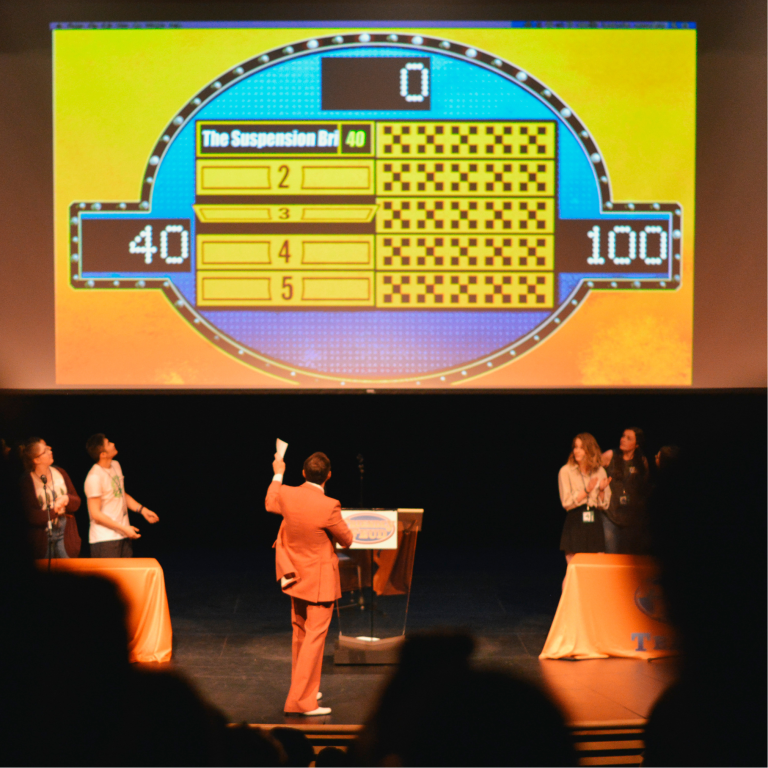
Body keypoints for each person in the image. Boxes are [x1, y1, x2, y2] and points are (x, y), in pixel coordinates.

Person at [265, 451, 353, 716]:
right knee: (314, 640)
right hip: (320, 583)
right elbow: (347, 539)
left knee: (301, 636)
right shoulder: (329, 505)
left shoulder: (287, 494)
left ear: (303, 473)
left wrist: (278, 472)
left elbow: (270, 503)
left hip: (295, 577)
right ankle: (301, 702)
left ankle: (302, 690)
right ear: (328, 476)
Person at [84, 434, 159, 557]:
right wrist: (124, 529)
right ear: (103, 454)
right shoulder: (94, 477)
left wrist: (142, 510)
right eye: (108, 443)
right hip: (105, 539)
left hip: (123, 535)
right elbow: (95, 514)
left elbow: (120, 494)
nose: (113, 444)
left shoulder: (116, 465)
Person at [18, 437, 82, 559]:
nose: (50, 451)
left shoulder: (60, 472)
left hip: (65, 532)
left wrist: (67, 499)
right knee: (45, 570)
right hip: (43, 536)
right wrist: (54, 510)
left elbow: (77, 502)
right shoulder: (27, 481)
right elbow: (31, 516)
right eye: (45, 451)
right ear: (36, 459)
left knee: (68, 568)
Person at [558, 433, 611, 565]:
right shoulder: (566, 471)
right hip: (575, 521)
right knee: (575, 567)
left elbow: (604, 505)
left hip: (594, 521)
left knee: (596, 566)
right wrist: (586, 490)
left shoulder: (600, 471)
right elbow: (566, 502)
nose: (577, 451)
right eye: (575, 447)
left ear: (590, 450)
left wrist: (601, 491)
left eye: (581, 448)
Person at [601, 427, 650, 554]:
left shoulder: (642, 461)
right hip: (610, 515)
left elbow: (645, 486)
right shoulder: (610, 455)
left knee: (628, 556)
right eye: (623, 436)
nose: (623, 440)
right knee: (611, 555)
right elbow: (592, 469)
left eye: (629, 438)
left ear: (637, 444)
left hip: (631, 518)